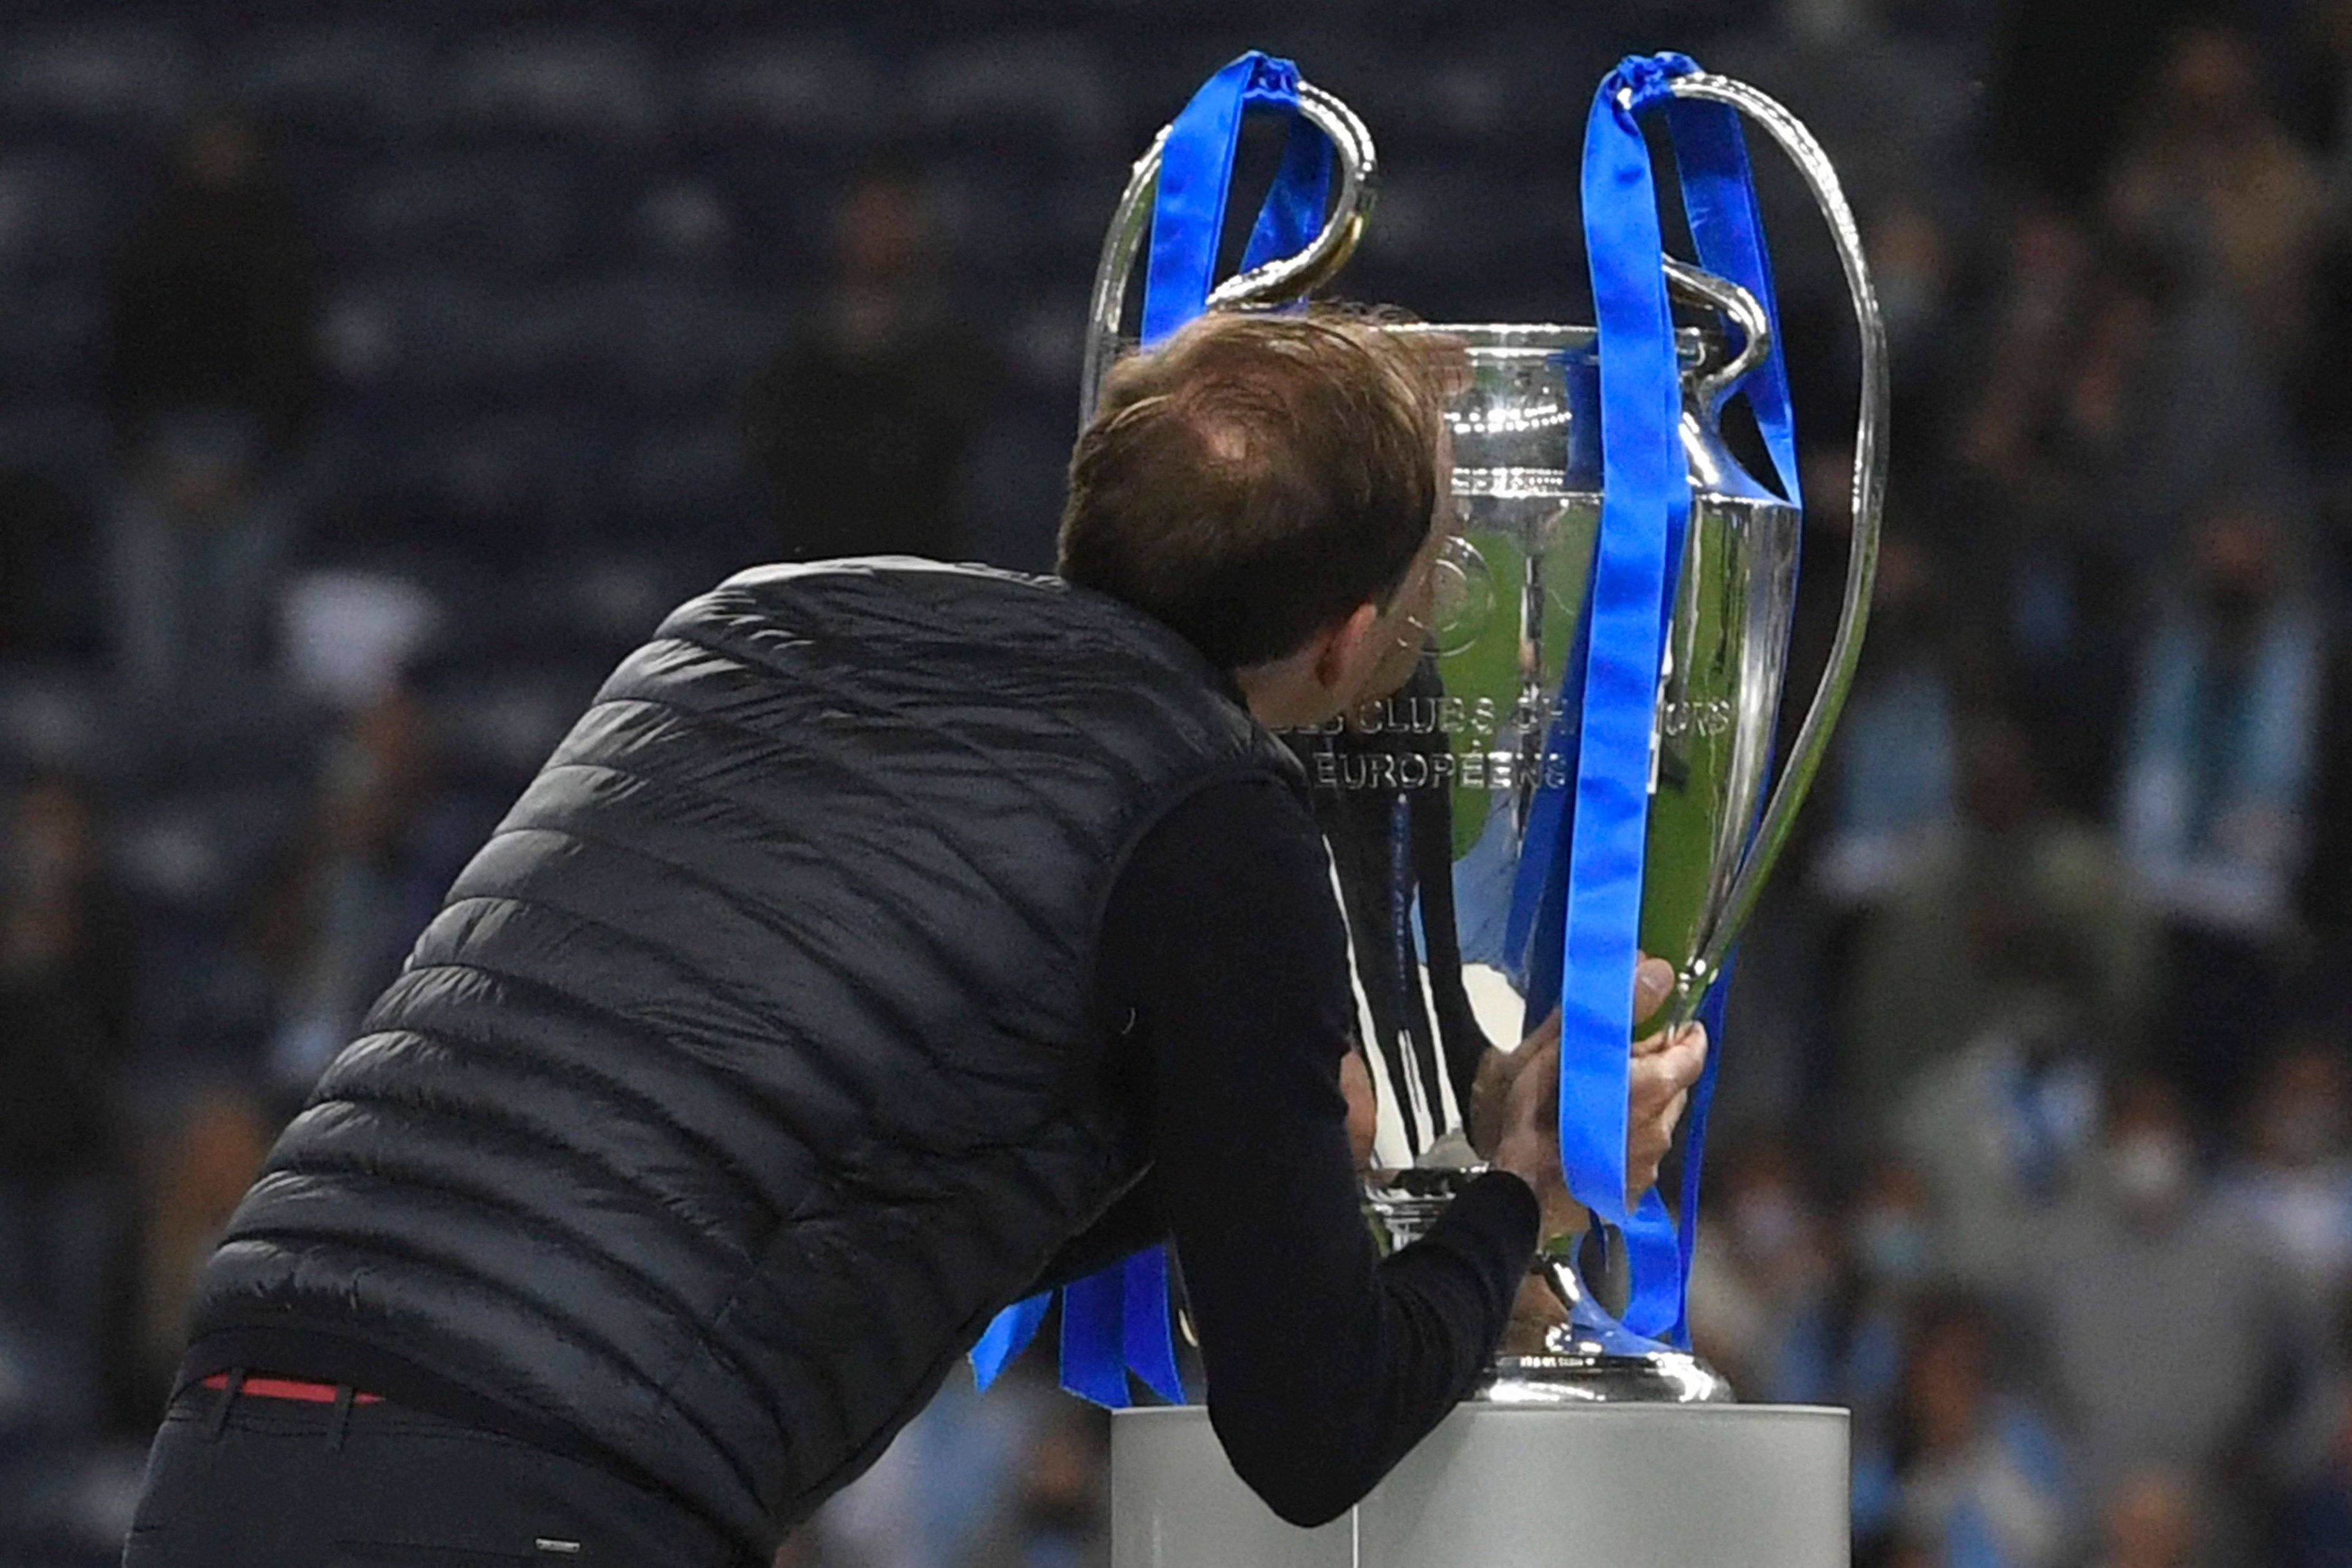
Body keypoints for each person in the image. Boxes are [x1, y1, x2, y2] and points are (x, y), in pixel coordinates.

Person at [121, 309, 1709, 1566]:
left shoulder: (751, 619)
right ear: (1351, 637)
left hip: (230, 1427)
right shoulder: (1211, 810)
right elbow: (1311, 1426)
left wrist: (1249, 1161)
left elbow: (851, 1159)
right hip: (543, 1486)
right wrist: (1517, 1190)